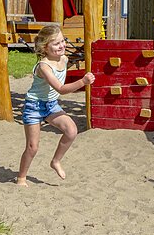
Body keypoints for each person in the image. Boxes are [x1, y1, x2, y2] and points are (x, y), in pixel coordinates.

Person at [16, 23, 95, 186]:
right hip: (34, 106)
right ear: (45, 47)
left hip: (51, 105)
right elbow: (61, 88)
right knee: (33, 147)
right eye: (56, 43)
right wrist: (83, 82)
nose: (61, 45)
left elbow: (73, 70)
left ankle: (56, 161)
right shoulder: (44, 66)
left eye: (62, 41)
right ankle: (21, 177)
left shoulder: (64, 59)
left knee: (71, 131)